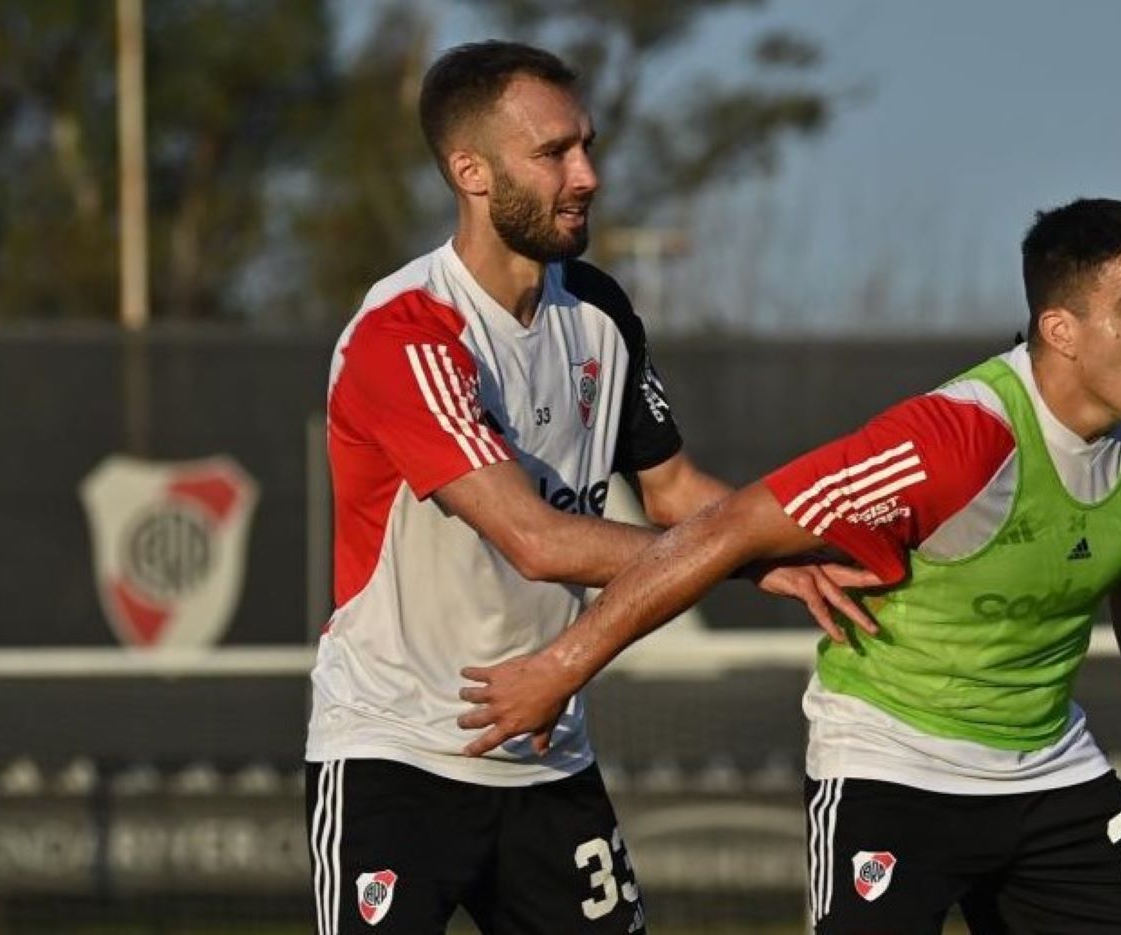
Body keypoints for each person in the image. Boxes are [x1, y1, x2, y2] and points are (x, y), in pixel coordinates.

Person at [457, 198, 1121, 933]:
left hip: (1049, 767)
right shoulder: (954, 442)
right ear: (1062, 329)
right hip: (896, 767)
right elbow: (725, 528)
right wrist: (561, 667)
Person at [303, 40, 873, 935]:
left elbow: (675, 487)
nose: (589, 175)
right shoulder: (406, 332)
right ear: (471, 172)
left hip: (544, 753)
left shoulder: (600, 309)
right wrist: (741, 552)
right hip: (394, 751)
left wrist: (797, 542)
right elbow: (536, 540)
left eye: (588, 145)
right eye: (554, 152)